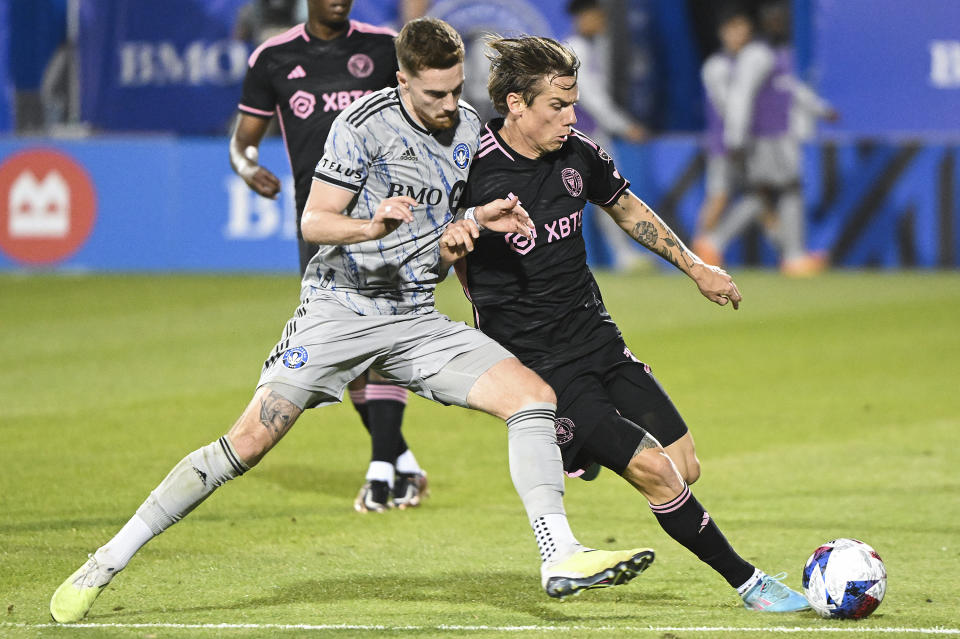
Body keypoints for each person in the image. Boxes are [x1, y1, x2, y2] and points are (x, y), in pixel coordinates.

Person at [49, 18, 654, 624]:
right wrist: (373, 227)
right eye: (434, 94)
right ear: (402, 81)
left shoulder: (469, 126)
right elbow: (315, 222)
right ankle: (105, 560)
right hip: (341, 311)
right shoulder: (360, 128)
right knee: (247, 443)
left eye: (456, 89)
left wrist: (479, 216)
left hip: (415, 316)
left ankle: (560, 555)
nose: (449, 106)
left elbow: (448, 219)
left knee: (533, 398)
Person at [440, 34, 809, 612]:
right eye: (557, 106)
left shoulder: (577, 153)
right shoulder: (472, 173)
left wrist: (695, 267)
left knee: (686, 466)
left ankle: (587, 447)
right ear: (516, 104)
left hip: (598, 338)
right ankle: (751, 584)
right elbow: (433, 254)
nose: (570, 117)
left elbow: (628, 208)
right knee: (659, 473)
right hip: (539, 364)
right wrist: (460, 234)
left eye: (573, 104)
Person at [229, 0, 425, 513]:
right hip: (321, 224)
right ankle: (400, 461)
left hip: (385, 217)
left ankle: (382, 470)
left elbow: (427, 115)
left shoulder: (385, 49)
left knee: (382, 338)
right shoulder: (273, 58)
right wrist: (249, 170)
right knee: (345, 347)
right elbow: (242, 142)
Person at [691, 7, 826, 277]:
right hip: (739, 142)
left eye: (743, 28)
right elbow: (732, 103)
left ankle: (786, 251)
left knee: (760, 195)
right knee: (733, 194)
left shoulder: (763, 56)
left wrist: (819, 109)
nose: (739, 34)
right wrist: (736, 137)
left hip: (752, 139)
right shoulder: (725, 63)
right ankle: (704, 247)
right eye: (734, 28)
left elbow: (788, 90)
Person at [563, 0, 648, 272]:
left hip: (587, 132)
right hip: (579, 134)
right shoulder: (575, 48)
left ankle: (623, 255)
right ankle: (621, 256)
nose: (601, 21)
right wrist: (624, 125)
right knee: (604, 193)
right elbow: (591, 97)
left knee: (604, 194)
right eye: (595, 15)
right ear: (582, 17)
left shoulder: (591, 46)